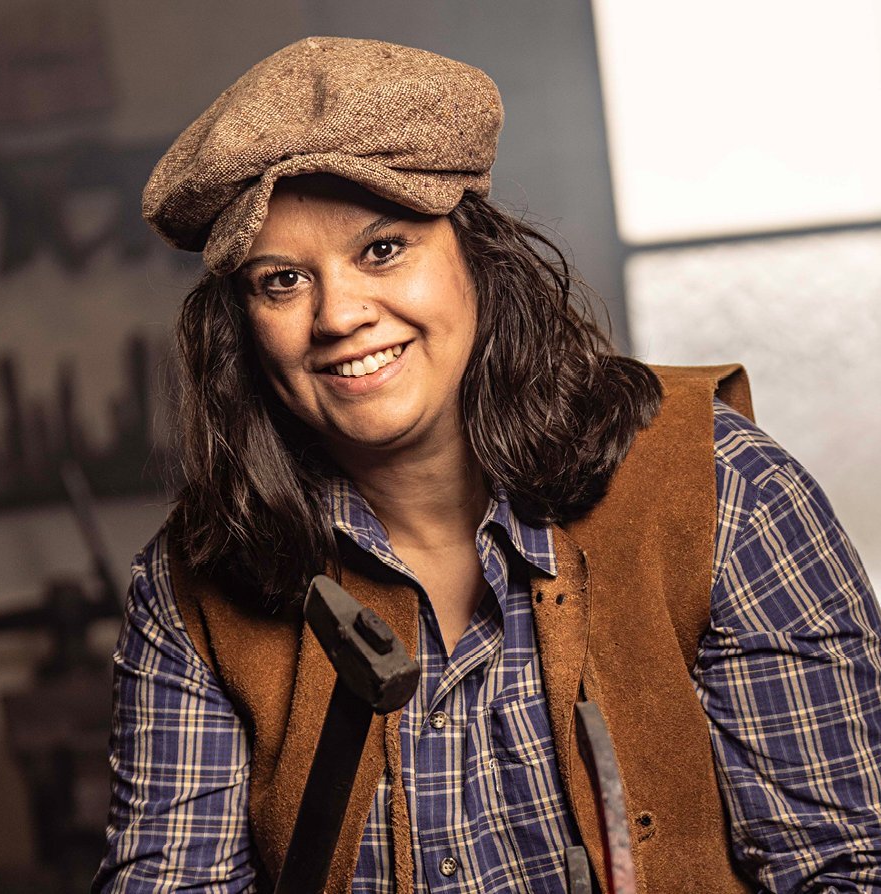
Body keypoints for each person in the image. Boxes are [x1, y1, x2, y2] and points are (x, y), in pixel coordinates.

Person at [93, 37, 881, 894]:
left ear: (476, 254)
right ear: (241, 326)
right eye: (281, 280)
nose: (339, 315)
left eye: (382, 250)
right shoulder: (193, 586)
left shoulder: (721, 487)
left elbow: (845, 866)